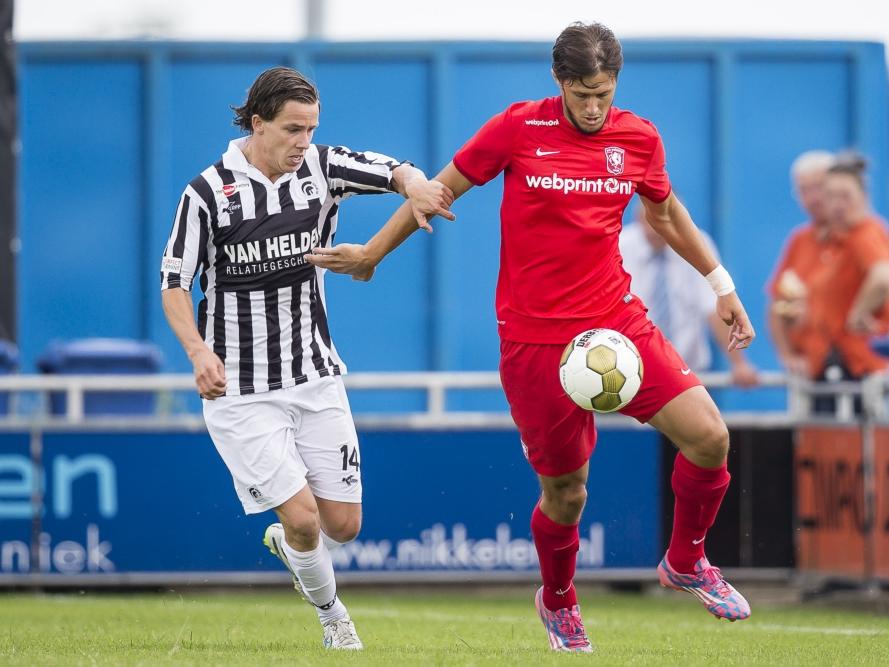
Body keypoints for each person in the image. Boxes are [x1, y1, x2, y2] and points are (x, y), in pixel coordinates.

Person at [308, 22, 755, 652]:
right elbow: (438, 189)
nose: (595, 107)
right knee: (567, 493)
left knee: (710, 437)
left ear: (615, 82)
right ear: (559, 82)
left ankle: (687, 560)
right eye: (582, 94)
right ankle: (560, 600)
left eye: (604, 93)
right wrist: (374, 253)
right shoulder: (518, 128)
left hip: (615, 322)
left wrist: (721, 284)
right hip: (534, 342)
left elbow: (664, 210)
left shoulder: (639, 137)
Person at [159, 67, 454, 650]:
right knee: (303, 518)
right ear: (258, 122)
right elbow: (173, 283)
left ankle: (290, 545)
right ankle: (333, 617)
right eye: (293, 129)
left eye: (312, 129)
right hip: (240, 390)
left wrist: (415, 183)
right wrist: (197, 351)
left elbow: (392, 169)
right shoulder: (207, 193)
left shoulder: (320, 167)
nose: (304, 141)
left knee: (343, 525)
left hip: (315, 376)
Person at [620, 201, 758, 386]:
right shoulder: (620, 246)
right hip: (627, 372)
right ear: (637, 219)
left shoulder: (698, 245)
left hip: (687, 372)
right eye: (648, 218)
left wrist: (739, 363)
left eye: (661, 218)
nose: (655, 227)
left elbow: (715, 308)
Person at [793, 154, 889, 409]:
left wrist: (859, 313)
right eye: (831, 196)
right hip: (835, 366)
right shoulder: (836, 240)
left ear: (863, 196)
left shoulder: (865, 234)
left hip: (864, 369)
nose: (837, 205)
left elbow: (882, 277)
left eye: (845, 196)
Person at [767, 150, 836, 376]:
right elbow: (776, 303)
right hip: (812, 369)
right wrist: (787, 356)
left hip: (858, 368)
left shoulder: (864, 235)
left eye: (819, 187)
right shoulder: (799, 241)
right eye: (804, 190)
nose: (813, 198)